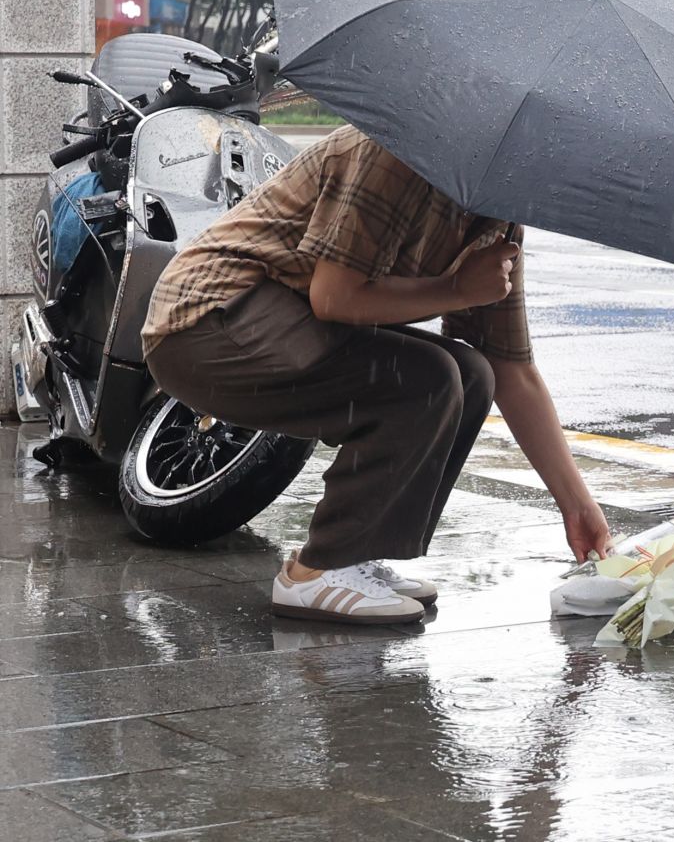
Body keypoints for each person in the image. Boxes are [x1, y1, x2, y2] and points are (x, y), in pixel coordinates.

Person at [142, 125, 613, 625]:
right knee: (425, 379)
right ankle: (314, 573)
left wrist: (577, 505)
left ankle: (354, 554)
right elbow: (333, 297)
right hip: (204, 321)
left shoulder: (497, 217)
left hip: (283, 320)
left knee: (471, 374)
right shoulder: (395, 150)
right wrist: (457, 288)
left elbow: (512, 369)